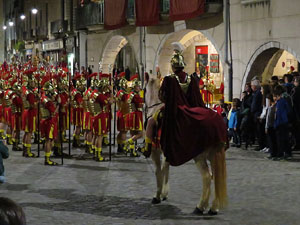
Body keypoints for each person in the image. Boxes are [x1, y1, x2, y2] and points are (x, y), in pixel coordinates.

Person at [273, 85, 292, 160]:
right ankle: (286, 153)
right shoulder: (283, 101)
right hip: (284, 123)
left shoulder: (280, 103)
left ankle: (281, 154)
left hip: (281, 123)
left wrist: (276, 124)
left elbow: (279, 114)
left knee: (281, 140)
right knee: (284, 139)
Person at [250, 77, 263, 151]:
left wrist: (252, 111)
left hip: (257, 113)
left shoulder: (257, 94)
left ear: (254, 86)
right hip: (257, 113)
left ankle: (261, 144)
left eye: (252, 86)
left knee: (259, 130)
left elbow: (254, 105)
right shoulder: (257, 93)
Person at [265, 94, 277, 159]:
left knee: (272, 141)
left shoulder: (272, 108)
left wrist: (266, 127)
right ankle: (273, 152)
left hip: (271, 126)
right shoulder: (273, 107)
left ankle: (272, 153)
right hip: (272, 125)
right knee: (272, 140)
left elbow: (268, 119)